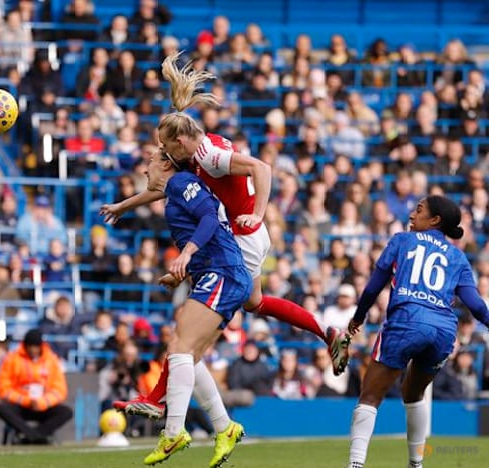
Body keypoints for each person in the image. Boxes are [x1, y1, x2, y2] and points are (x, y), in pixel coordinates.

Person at [102, 51, 351, 418]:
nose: (163, 155)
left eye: (166, 148)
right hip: (243, 236)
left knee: (194, 332)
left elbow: (261, 168)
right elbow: (165, 185)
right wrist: (125, 206)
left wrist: (258, 212)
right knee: (250, 305)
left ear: (181, 143)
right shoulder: (201, 149)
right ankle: (326, 332)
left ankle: (162, 400)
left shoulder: (209, 155)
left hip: (242, 236)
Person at [345, 196, 489, 468]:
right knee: (413, 394)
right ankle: (416, 464)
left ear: (434, 220)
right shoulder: (458, 257)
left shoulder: (401, 241)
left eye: (419, 210)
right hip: (443, 332)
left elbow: (373, 287)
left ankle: (355, 464)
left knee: (370, 395)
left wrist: (358, 317)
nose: (412, 214)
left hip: (406, 321)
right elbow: (476, 306)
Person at [137, 144, 251, 467]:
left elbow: (207, 220)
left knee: (178, 348)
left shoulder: (180, 183)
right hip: (217, 273)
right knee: (188, 354)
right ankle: (224, 427)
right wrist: (183, 271)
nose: (146, 170)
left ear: (166, 163)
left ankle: (173, 431)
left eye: (150, 163)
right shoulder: (177, 190)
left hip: (222, 272)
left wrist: (186, 254)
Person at [0, 329, 72, 445]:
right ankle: (35, 436)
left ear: (41, 346)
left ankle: (32, 435)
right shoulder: (12, 359)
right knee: (2, 408)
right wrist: (26, 401)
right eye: (30, 346)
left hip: (43, 405)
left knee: (66, 412)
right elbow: (4, 389)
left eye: (35, 346)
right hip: (21, 405)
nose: (32, 350)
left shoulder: (51, 361)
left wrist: (42, 402)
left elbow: (60, 390)